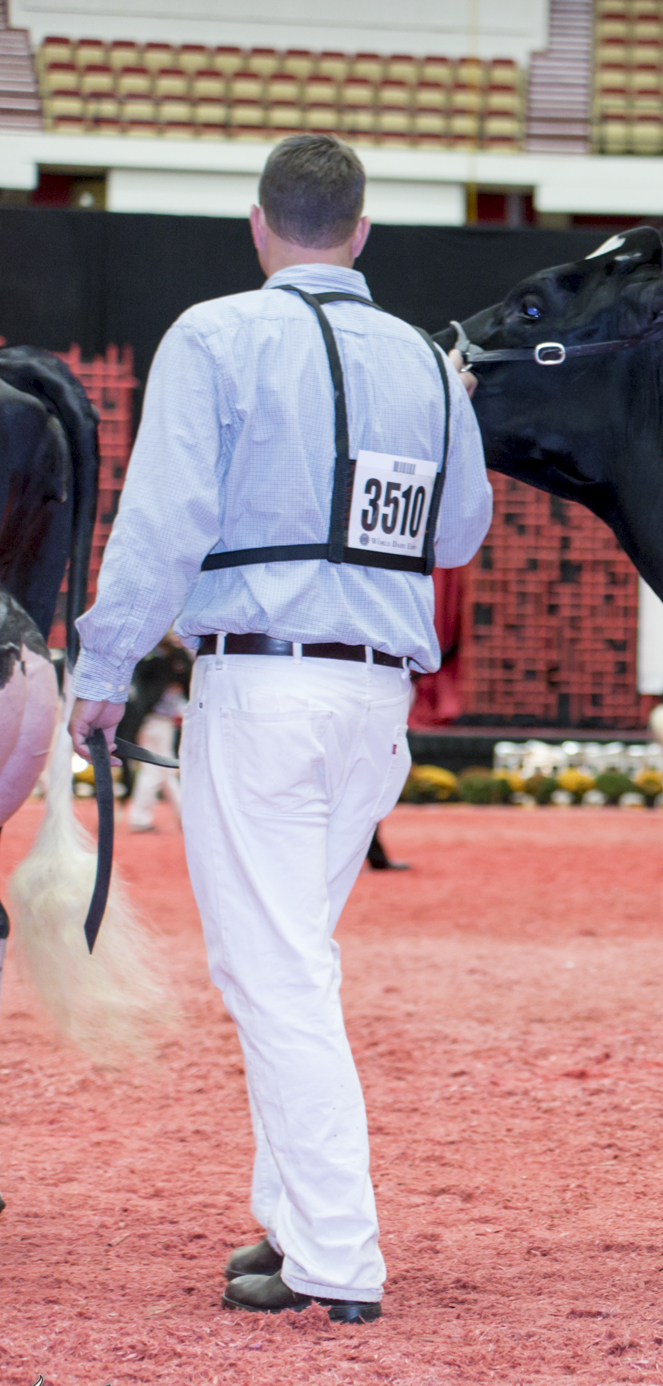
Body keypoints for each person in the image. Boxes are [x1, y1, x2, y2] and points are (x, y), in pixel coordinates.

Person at [67, 134, 493, 1325]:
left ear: (258, 225)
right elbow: (458, 534)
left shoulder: (214, 335)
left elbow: (165, 521)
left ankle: (338, 1258)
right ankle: (294, 1222)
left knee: (276, 972)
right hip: (375, 703)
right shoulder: (427, 364)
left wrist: (103, 667)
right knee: (291, 958)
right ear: (362, 232)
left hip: (261, 689)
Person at [119, 637, 192, 833]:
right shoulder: (160, 662)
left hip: (156, 722)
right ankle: (140, 818)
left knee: (164, 773)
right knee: (155, 770)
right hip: (155, 722)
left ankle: (184, 818)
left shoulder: (152, 660)